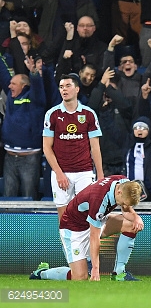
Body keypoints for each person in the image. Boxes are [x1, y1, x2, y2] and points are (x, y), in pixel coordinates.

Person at [29, 176, 144, 281]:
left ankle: (119, 273)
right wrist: (95, 269)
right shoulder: (99, 199)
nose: (124, 206)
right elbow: (94, 238)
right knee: (80, 277)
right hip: (73, 229)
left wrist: (136, 217)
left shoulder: (123, 183)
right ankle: (42, 273)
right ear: (119, 192)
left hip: (93, 220)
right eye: (123, 203)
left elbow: (126, 209)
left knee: (131, 225)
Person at [43, 74, 104, 223]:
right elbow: (46, 147)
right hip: (61, 172)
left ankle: (85, 247)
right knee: (64, 218)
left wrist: (101, 175)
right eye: (61, 87)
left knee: (86, 216)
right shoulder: (52, 115)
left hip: (85, 172)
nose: (64, 89)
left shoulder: (88, 114)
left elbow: (95, 147)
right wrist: (58, 173)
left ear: (77, 89)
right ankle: (67, 248)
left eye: (68, 86)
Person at [0, 55, 45, 199]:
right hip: (10, 157)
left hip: (30, 158)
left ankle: (30, 223)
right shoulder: (11, 95)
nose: (9, 86)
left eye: (13, 84)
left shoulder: (35, 99)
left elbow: (38, 88)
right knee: (8, 198)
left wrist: (34, 74)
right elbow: (3, 72)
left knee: (29, 197)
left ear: (23, 86)